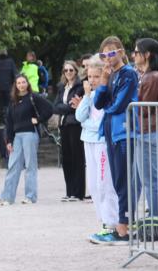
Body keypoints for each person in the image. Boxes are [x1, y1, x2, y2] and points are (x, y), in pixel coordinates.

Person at [93, 36, 139, 241]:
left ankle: (124, 225)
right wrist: (103, 81)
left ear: (121, 52)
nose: (108, 58)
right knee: (117, 179)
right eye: (104, 54)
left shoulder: (128, 73)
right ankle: (122, 223)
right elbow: (98, 103)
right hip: (110, 132)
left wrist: (107, 108)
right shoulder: (110, 75)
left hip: (123, 131)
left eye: (112, 53)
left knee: (124, 180)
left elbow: (118, 105)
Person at [76, 58, 121, 244]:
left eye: (96, 76)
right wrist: (86, 97)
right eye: (90, 76)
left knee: (105, 183)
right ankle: (103, 221)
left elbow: (99, 123)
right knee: (94, 185)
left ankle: (112, 222)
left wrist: (86, 123)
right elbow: (79, 116)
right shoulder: (91, 96)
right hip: (88, 142)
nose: (92, 80)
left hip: (102, 142)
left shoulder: (107, 94)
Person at [0, 74, 54, 205]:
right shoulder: (13, 102)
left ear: (27, 83)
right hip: (17, 137)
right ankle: (7, 198)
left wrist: (38, 120)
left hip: (30, 134)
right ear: (15, 86)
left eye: (23, 82)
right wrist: (9, 140)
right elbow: (9, 123)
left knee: (30, 166)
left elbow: (49, 109)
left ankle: (30, 196)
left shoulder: (34, 97)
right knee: (13, 166)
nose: (21, 85)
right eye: (18, 83)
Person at [130, 38, 158, 221]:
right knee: (140, 177)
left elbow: (145, 108)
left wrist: (130, 101)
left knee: (150, 178)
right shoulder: (146, 76)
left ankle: (156, 217)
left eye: (137, 52)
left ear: (147, 55)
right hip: (144, 131)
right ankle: (131, 215)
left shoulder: (153, 77)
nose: (133, 55)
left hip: (149, 131)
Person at [53, 59, 86, 201]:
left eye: (71, 70)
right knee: (66, 159)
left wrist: (65, 107)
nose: (68, 73)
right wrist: (67, 108)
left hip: (75, 125)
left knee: (77, 158)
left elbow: (76, 106)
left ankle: (78, 193)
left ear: (76, 71)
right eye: (65, 70)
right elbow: (56, 106)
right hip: (64, 125)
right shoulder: (62, 87)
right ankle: (69, 191)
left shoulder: (80, 87)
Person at [0, 49, 17, 125]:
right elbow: (15, 74)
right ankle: (9, 121)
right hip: (8, 87)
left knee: (0, 106)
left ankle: (2, 122)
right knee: (9, 105)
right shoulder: (11, 62)